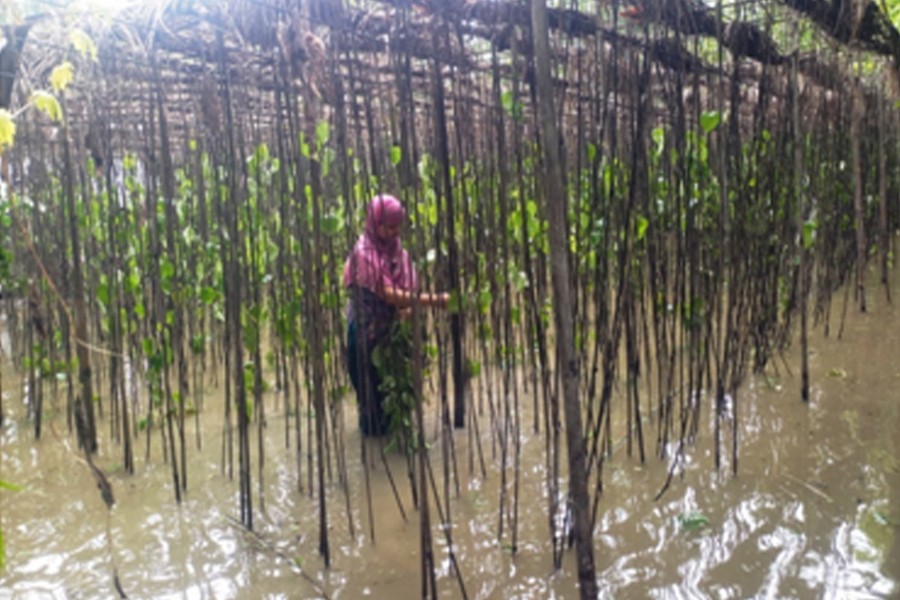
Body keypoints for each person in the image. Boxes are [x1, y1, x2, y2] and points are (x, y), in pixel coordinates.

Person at [343, 194, 449, 436]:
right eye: (389, 226)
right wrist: (435, 301)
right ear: (374, 223)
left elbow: (407, 286)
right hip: (365, 339)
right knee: (372, 409)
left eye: (397, 226)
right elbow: (388, 294)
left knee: (397, 407)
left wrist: (409, 310)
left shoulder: (397, 251)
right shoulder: (363, 253)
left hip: (392, 335)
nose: (394, 232)